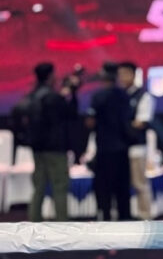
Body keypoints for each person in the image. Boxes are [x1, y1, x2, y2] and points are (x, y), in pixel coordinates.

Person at [22, 63, 78, 221]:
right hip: (55, 149)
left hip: (38, 149)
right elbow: (70, 114)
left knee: (39, 187)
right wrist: (72, 92)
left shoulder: (32, 95)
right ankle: (62, 225)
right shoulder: (53, 97)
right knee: (60, 186)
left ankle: (34, 223)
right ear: (50, 76)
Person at [86, 63, 132, 220]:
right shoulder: (124, 96)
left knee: (103, 188)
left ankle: (105, 219)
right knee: (122, 189)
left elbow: (90, 122)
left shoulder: (98, 96)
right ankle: (125, 220)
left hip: (104, 148)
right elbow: (128, 121)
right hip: (122, 147)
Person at [117, 61, 155, 220]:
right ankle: (123, 217)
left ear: (133, 75)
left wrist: (120, 124)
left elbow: (141, 122)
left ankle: (145, 217)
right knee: (120, 186)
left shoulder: (143, 96)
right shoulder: (118, 95)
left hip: (136, 148)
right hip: (119, 148)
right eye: (120, 74)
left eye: (125, 74)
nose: (122, 77)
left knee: (139, 184)